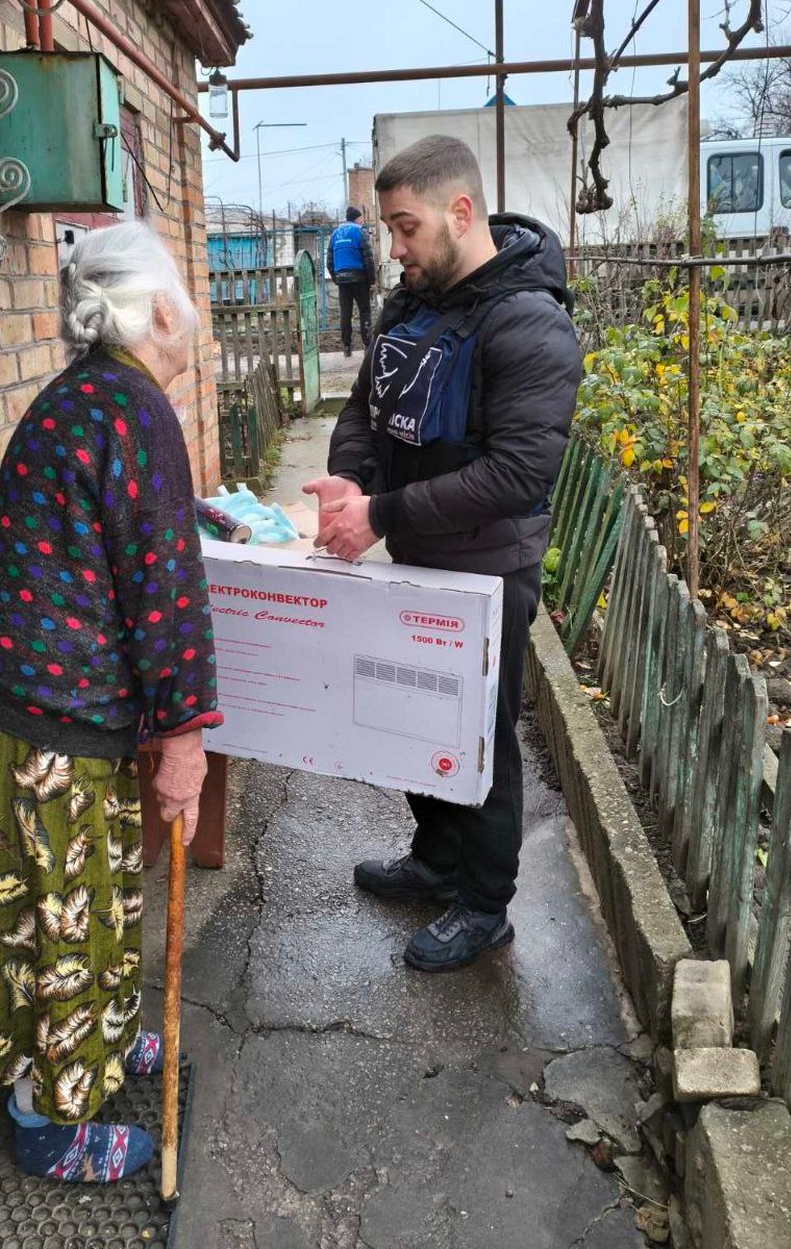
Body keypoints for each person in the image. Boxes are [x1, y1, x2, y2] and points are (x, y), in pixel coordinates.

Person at [0, 221, 221, 1181]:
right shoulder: (134, 411)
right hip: (43, 728)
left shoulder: (80, 395)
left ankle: (92, 1039)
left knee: (66, 903)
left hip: (2, 707)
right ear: (161, 311)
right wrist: (184, 739)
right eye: (185, 297)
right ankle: (50, 1120)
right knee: (67, 913)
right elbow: (165, 592)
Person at [304, 135, 582, 973]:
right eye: (390, 229)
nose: (393, 248)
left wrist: (379, 513)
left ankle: (486, 905)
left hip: (490, 569)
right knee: (413, 719)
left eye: (405, 227)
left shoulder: (531, 323)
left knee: (482, 739)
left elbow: (516, 472)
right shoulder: (414, 302)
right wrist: (349, 483)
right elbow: (368, 406)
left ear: (461, 213)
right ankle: (435, 858)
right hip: (418, 555)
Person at [327, 205, 376, 358]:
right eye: (361, 218)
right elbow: (368, 258)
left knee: (345, 313)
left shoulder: (335, 234)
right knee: (365, 311)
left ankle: (347, 347)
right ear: (356, 218)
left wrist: (336, 278)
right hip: (360, 278)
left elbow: (329, 261)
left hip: (342, 279)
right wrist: (372, 280)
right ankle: (367, 345)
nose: (362, 220)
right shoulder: (360, 232)